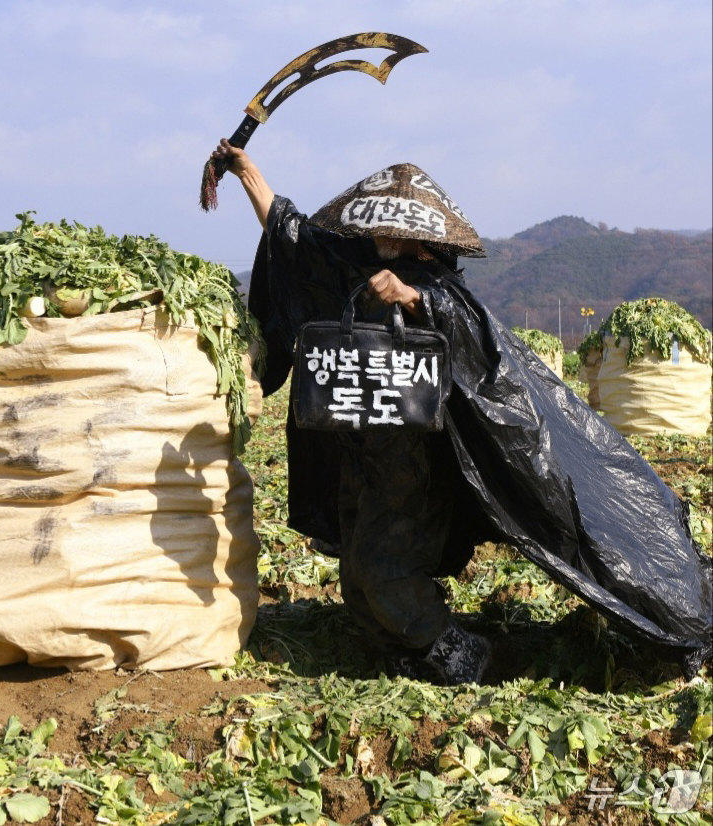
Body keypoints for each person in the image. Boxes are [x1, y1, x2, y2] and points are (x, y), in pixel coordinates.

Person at [209, 140, 712, 684]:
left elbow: (472, 342)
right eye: (376, 227)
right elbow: (294, 238)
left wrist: (411, 298)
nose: (380, 237)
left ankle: (458, 650)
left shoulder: (437, 285)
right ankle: (401, 649)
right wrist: (246, 172)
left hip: (415, 467)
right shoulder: (351, 267)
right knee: (356, 575)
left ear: (415, 237)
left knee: (384, 571)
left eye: (391, 230)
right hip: (361, 452)